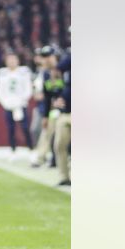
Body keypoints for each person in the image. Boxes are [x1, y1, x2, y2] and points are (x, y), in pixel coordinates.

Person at [0, 52, 34, 155]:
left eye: (13, 59)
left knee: (25, 127)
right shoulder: (2, 73)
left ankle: (30, 148)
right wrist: (5, 102)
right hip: (8, 105)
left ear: (18, 61)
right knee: (10, 128)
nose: (11, 62)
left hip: (21, 104)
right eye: (9, 60)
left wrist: (21, 101)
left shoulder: (23, 72)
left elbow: (28, 88)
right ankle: (13, 150)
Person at [53, 51, 71, 186]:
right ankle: (64, 176)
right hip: (65, 112)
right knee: (59, 145)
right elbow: (56, 70)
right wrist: (58, 94)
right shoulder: (71, 56)